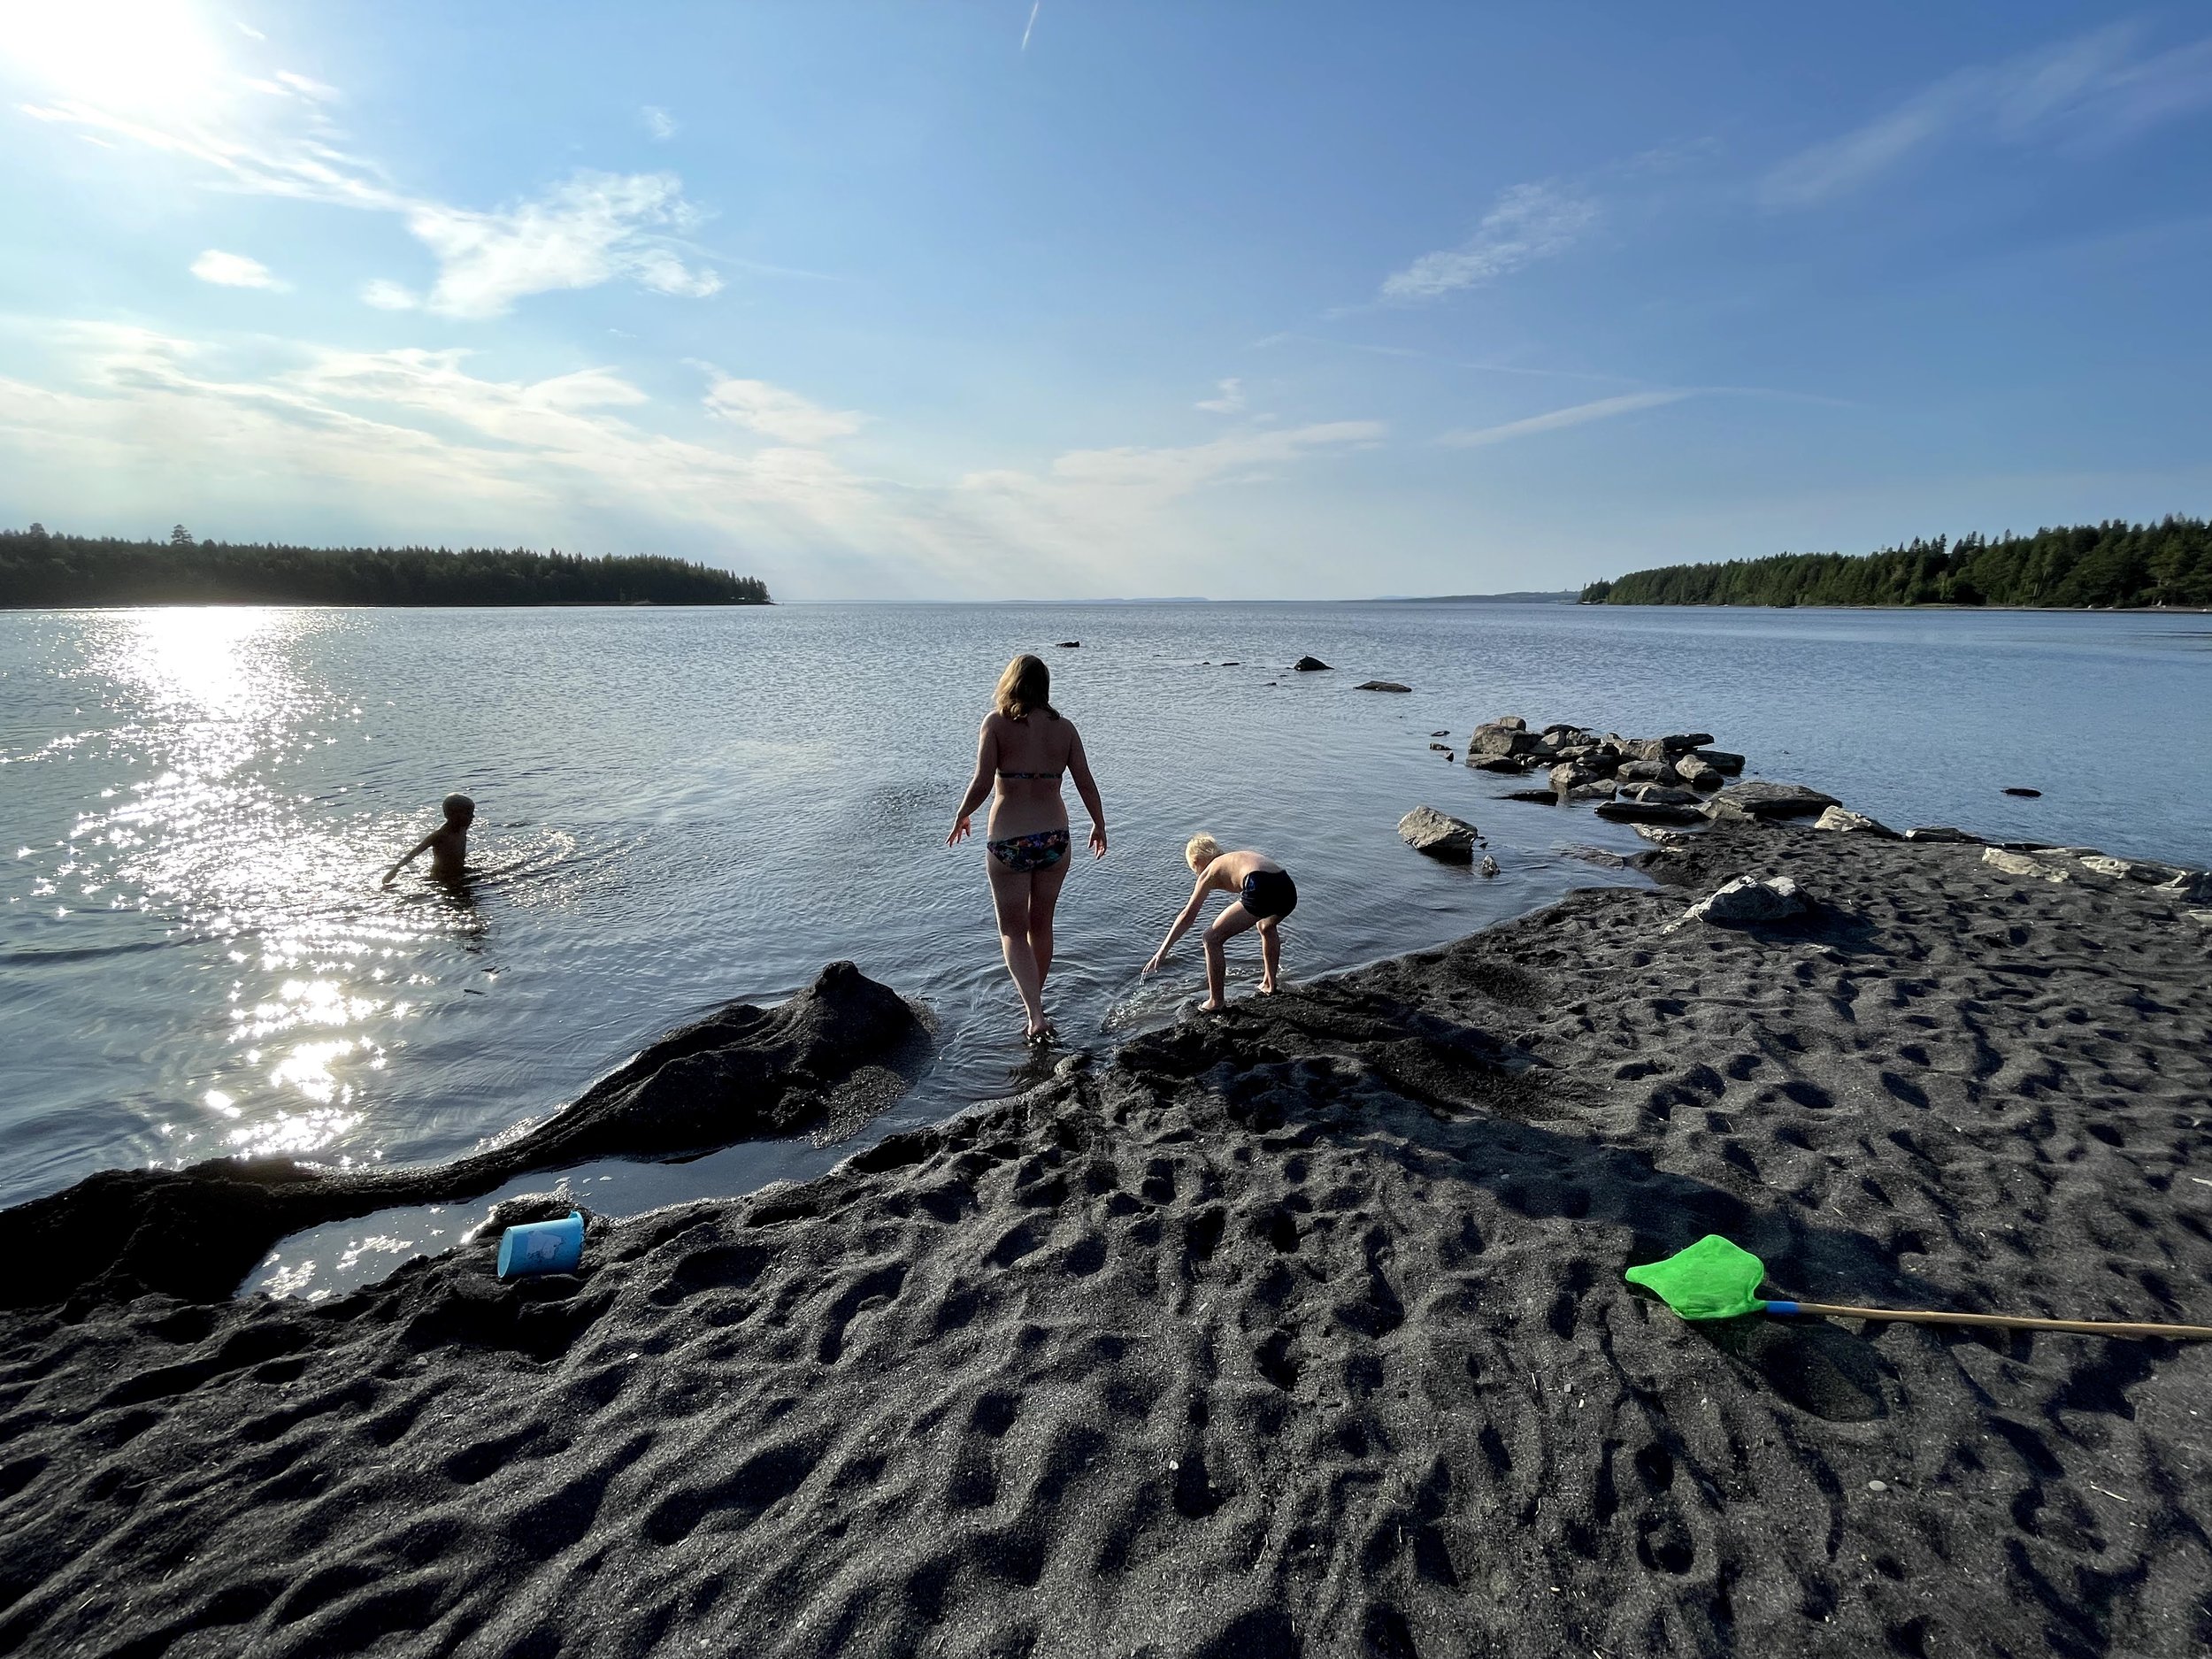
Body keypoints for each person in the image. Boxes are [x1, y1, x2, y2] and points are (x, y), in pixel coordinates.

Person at [948, 654, 1108, 1044]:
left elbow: (983, 781)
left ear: (1010, 682)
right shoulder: (1065, 729)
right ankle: (1038, 1003)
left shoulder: (997, 724)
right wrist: (1099, 824)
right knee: (1042, 925)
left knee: (1013, 932)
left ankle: (1034, 1014)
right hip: (1055, 839)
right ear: (1045, 686)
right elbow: (1085, 781)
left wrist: (962, 815)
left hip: (1010, 842)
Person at [1143, 834, 1296, 1010]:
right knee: (1265, 926)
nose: (1196, 873)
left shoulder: (1209, 870)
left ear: (1196, 860)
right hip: (1287, 886)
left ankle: (1216, 1002)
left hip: (1260, 884)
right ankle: (1270, 983)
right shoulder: (1234, 857)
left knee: (1211, 938)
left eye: (1193, 868)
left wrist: (1162, 951)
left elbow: (1188, 915)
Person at [384, 793, 474, 886]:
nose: (473, 816)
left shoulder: (462, 827)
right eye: (468, 813)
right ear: (453, 815)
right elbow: (413, 853)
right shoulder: (440, 835)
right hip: (442, 876)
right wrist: (394, 871)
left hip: (459, 870)